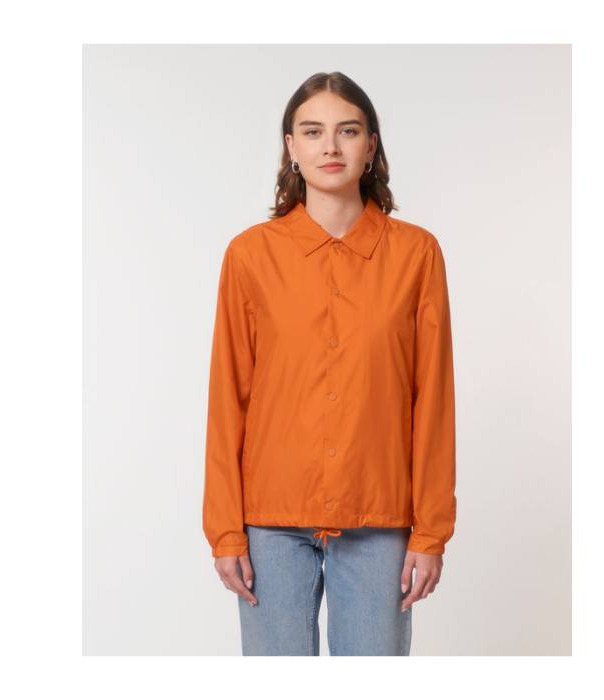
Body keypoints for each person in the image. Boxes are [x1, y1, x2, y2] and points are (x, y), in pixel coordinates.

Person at [202, 71, 457, 656]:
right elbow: (228, 397)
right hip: (270, 521)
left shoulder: (416, 254)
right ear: (291, 147)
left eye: (348, 130)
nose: (331, 146)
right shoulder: (250, 255)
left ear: (371, 146)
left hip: (380, 518)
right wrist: (225, 530)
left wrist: (430, 532)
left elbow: (433, 399)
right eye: (313, 131)